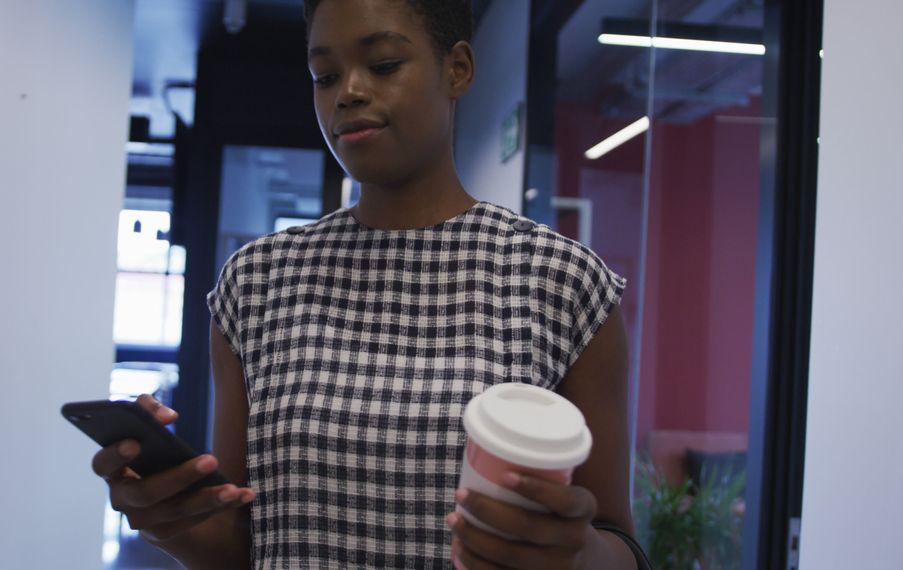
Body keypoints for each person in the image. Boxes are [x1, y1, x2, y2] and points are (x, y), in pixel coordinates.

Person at [91, 1, 644, 568]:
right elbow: (243, 546)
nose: (348, 92)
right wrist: (165, 518)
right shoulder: (257, 282)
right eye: (324, 76)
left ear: (456, 69)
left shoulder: (562, 282)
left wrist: (572, 555)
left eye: (382, 64)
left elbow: (620, 545)